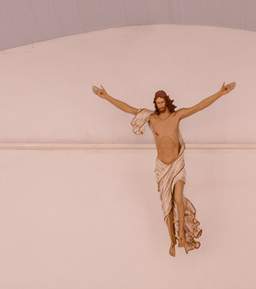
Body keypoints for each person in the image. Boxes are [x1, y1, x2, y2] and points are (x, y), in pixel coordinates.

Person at [92, 82, 236, 256]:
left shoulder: (176, 116)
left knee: (178, 197)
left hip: (177, 164)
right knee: (167, 204)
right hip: (162, 167)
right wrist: (106, 96)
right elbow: (128, 109)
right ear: (155, 104)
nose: (160, 106)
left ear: (167, 102)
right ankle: (172, 241)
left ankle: (181, 231)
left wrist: (220, 93)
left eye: (162, 102)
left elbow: (199, 106)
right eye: (157, 103)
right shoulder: (151, 118)